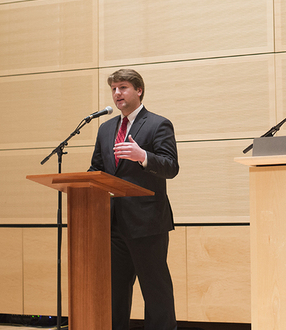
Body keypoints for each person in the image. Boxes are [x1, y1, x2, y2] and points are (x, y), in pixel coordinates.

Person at [88, 68, 179, 330]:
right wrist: (83, 182)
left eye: (123, 87)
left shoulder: (157, 124)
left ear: (139, 90)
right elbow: (98, 169)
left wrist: (143, 156)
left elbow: (171, 167)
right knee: (115, 291)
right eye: (114, 89)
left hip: (147, 223)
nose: (117, 93)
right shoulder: (106, 129)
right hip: (114, 223)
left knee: (155, 290)